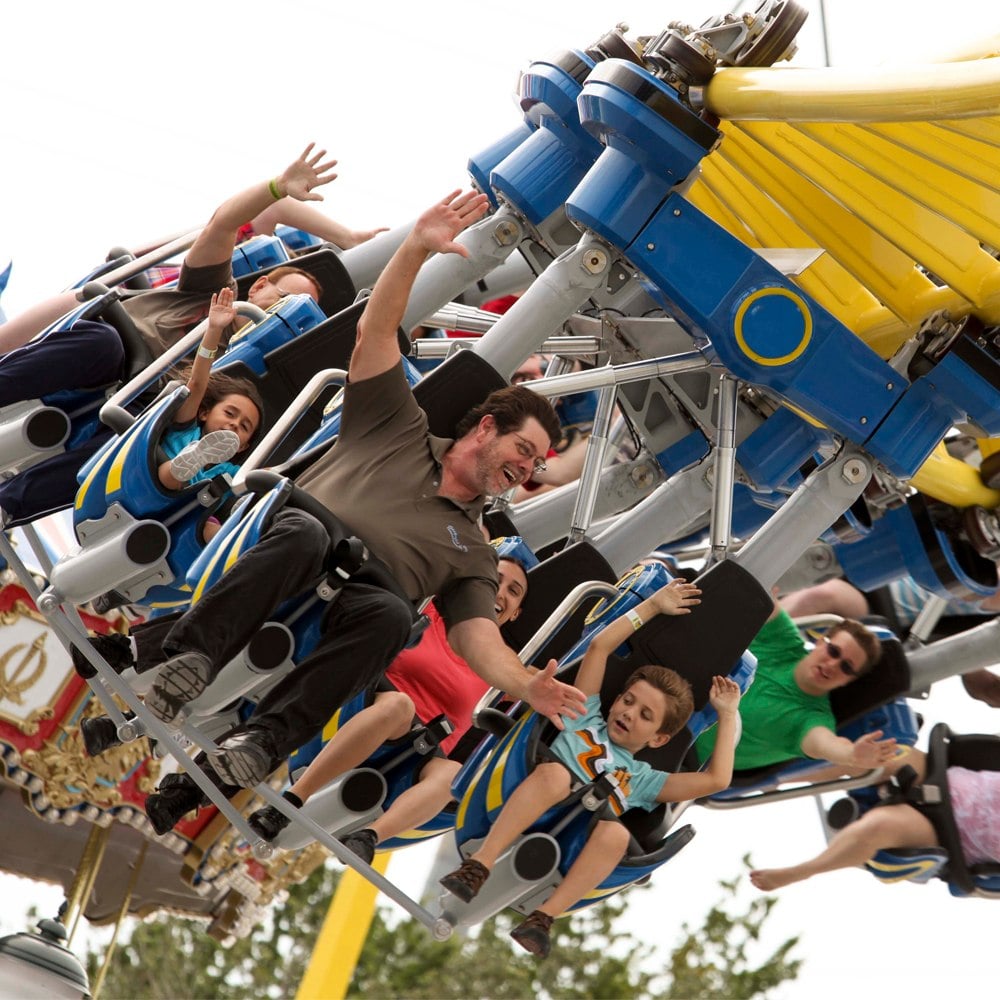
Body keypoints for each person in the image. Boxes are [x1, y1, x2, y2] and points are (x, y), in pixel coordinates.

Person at [140, 189, 587, 807]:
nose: (527, 468)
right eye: (524, 449)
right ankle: (189, 660)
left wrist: (524, 684)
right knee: (309, 534)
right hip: (290, 536)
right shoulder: (397, 422)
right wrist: (414, 248)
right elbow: (375, 329)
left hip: (355, 608)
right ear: (486, 428)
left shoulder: (476, 550)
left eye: (537, 464)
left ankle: (262, 744)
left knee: (393, 617)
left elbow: (476, 636)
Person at [0, 144, 346, 524]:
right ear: (260, 286)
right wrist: (276, 188)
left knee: (128, 449)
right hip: (111, 351)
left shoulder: (239, 373)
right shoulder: (211, 290)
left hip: (140, 405)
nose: (283, 313)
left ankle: (6, 505)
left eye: (298, 316)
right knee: (103, 344)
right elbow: (223, 224)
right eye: (284, 300)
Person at [439, 578, 742, 959]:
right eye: (628, 701)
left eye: (645, 715)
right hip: (528, 802)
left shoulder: (644, 780)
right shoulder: (584, 715)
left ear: (659, 739)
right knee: (555, 775)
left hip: (575, 846)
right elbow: (600, 647)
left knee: (616, 835)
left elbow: (717, 779)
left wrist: (726, 714)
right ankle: (479, 865)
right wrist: (652, 606)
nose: (629, 713)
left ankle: (543, 918)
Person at [245, 551, 531, 854]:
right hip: (369, 705)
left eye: (513, 591)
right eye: (494, 581)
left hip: (418, 754)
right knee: (400, 706)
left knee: (452, 775)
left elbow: (545, 686)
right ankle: (289, 803)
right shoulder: (429, 610)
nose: (500, 593)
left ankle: (368, 838)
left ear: (515, 613)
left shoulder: (505, 665)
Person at [748, 746, 1000, 890]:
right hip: (940, 774)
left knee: (879, 827)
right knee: (878, 756)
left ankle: (801, 871)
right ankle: (767, 776)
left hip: (944, 833)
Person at [694, 597, 895, 775]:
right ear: (820, 642)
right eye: (833, 651)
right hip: (682, 685)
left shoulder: (813, 718)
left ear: (847, 681)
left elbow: (827, 745)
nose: (833, 665)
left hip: (687, 752)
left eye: (846, 667)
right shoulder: (784, 639)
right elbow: (761, 593)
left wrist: (852, 755)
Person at [780, 577, 1000, 709]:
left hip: (873, 606)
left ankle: (759, 632)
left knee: (825, 595)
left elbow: (977, 676)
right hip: (870, 562)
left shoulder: (988, 593)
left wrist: (990, 689)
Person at [155, 287, 262, 500]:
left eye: (244, 427)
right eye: (230, 413)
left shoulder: (231, 474)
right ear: (204, 413)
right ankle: (189, 460)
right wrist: (214, 329)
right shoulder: (186, 430)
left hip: (185, 512)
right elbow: (197, 382)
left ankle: (192, 465)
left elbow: (263, 476)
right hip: (154, 485)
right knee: (171, 474)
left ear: (242, 446)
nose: (234, 424)